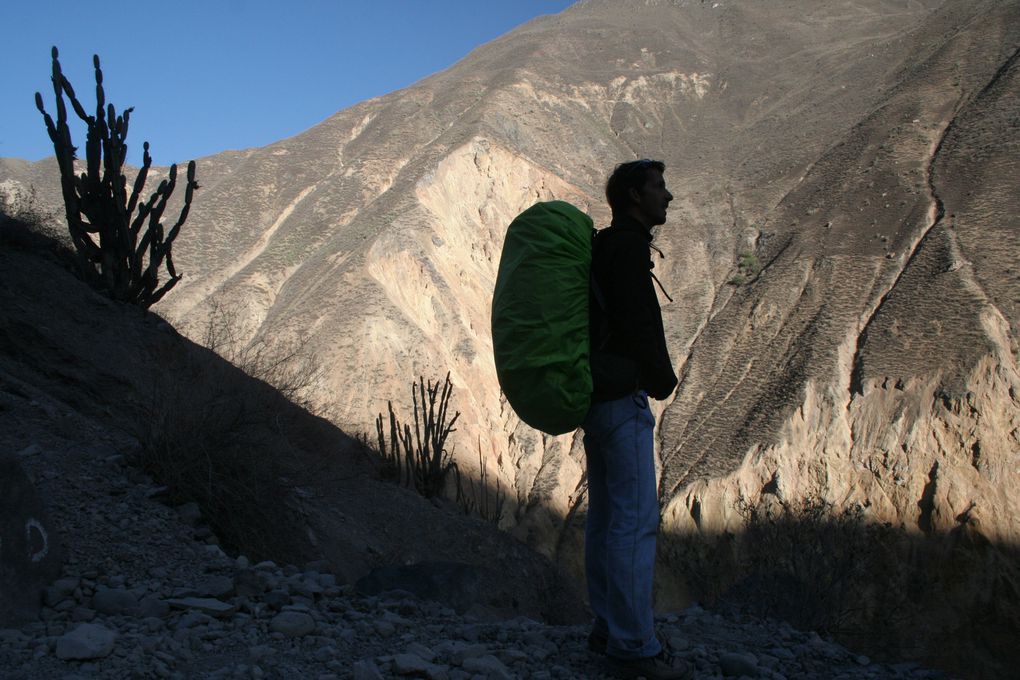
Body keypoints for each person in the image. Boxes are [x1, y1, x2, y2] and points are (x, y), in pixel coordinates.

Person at [583, 159, 690, 680]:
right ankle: (634, 648)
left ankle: (608, 626)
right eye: (659, 187)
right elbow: (636, 325)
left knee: (606, 518)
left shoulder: (610, 246)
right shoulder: (626, 250)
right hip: (621, 397)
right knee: (634, 520)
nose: (667, 196)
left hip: (598, 395)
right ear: (633, 195)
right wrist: (661, 378)